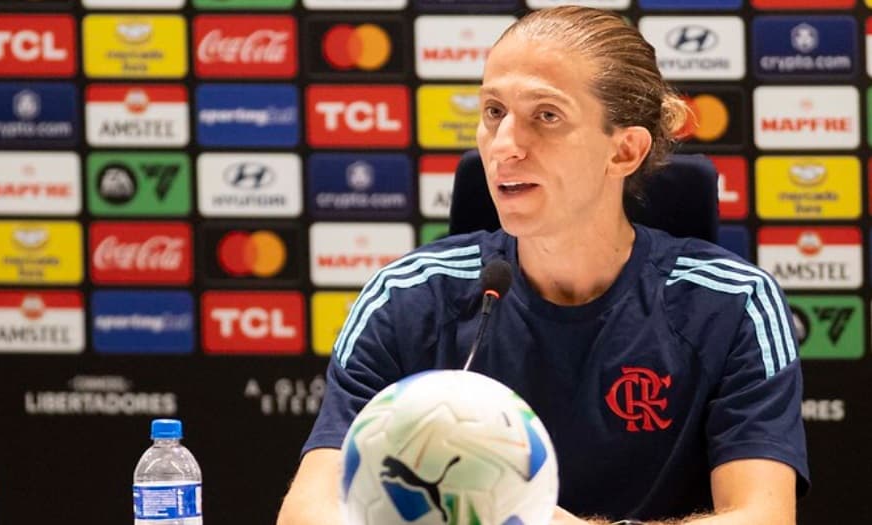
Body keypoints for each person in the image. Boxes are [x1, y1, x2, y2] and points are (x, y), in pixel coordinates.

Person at [277, 6, 809, 525]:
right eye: (493, 112)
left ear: (624, 152)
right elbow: (309, 511)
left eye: (546, 116)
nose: (505, 145)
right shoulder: (406, 297)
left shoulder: (734, 303)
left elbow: (762, 515)